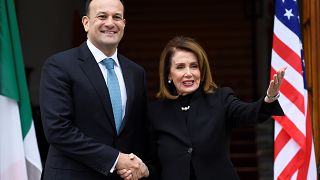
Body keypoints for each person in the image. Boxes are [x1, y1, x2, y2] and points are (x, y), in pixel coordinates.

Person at [39, 0, 151, 179]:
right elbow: (58, 130)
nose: (110, 23)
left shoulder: (136, 73)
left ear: (123, 24)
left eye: (117, 17)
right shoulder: (59, 65)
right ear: (86, 22)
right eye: (102, 16)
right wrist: (116, 159)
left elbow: (140, 132)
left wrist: (141, 166)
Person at [147, 36, 285, 180]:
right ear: (169, 73)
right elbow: (153, 164)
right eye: (180, 67)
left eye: (194, 66)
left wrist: (269, 98)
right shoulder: (155, 112)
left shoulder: (221, 99)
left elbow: (248, 113)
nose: (189, 73)